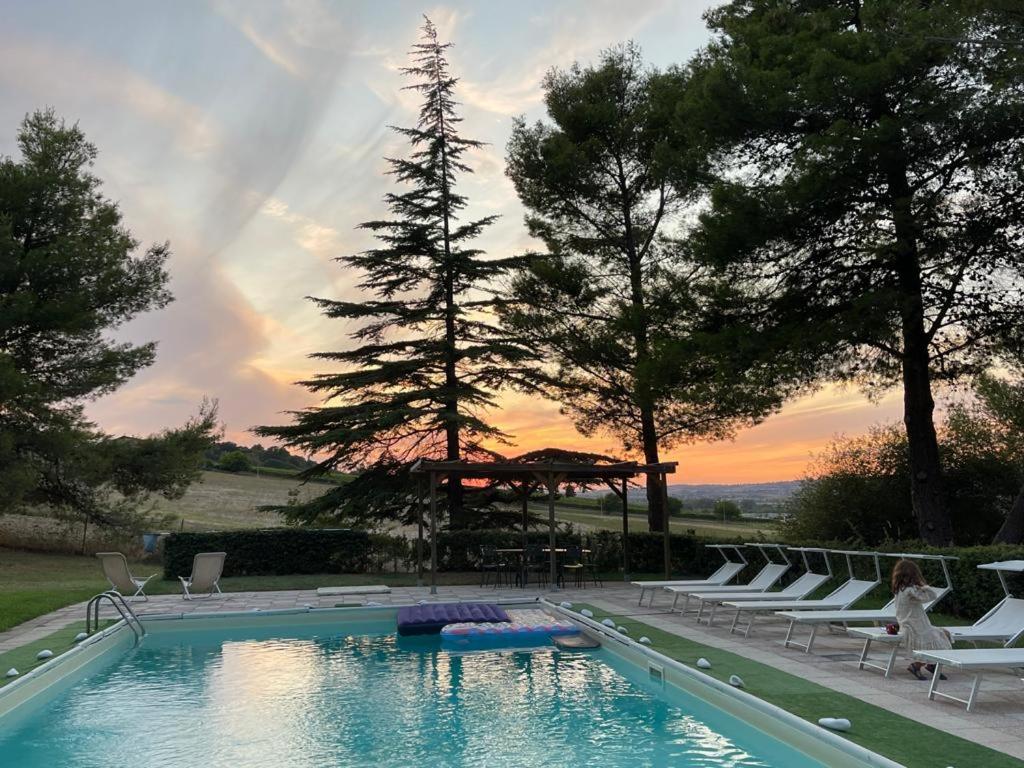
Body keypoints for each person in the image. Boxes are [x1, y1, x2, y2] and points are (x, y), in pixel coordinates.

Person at [891, 559, 952, 680]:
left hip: (912, 624)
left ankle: (932, 665)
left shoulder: (900, 590)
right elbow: (932, 596)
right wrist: (924, 586)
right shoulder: (910, 591)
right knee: (939, 639)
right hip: (915, 627)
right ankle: (916, 666)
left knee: (941, 636)